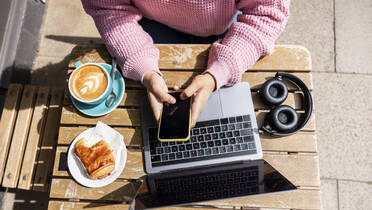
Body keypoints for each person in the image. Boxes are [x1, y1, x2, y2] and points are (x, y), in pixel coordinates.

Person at [82, 0, 290, 127]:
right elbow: (107, 7)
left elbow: (266, 14)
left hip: (216, 28)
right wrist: (143, 68)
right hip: (148, 24)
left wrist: (219, 72)